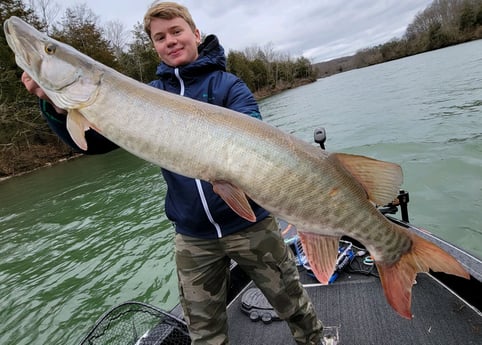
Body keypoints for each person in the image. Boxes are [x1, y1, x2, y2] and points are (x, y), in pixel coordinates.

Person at [22, 1, 323, 344]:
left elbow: (255, 136)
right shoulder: (151, 94)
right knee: (204, 331)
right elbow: (94, 143)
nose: (170, 41)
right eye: (160, 37)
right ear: (154, 46)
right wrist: (53, 105)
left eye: (177, 31)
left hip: (250, 224)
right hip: (194, 236)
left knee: (293, 305)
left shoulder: (228, 86)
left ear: (196, 34)